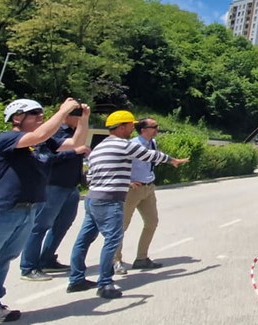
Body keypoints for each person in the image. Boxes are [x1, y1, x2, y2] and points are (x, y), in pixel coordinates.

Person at [0, 98, 85, 325]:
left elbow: (75, 143)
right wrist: (63, 111)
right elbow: (39, 135)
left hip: (27, 209)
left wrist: (83, 118)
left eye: (41, 113)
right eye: (34, 113)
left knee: (3, 261)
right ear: (17, 118)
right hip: (0, 210)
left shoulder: (38, 144)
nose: (40, 116)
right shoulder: (7, 139)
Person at [67, 111, 187, 299]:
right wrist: (172, 160)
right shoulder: (123, 145)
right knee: (113, 239)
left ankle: (76, 280)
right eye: (131, 125)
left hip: (92, 198)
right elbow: (149, 155)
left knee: (84, 240)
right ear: (122, 127)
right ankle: (105, 283)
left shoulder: (99, 147)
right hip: (110, 199)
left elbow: (88, 176)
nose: (133, 128)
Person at [19, 107, 90, 281]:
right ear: (66, 116)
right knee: (40, 226)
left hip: (71, 185)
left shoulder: (76, 131)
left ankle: (47, 259)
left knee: (63, 225)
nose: (80, 119)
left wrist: (84, 121)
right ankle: (28, 267)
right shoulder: (53, 132)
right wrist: (73, 152)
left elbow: (78, 146)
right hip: (52, 185)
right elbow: (44, 159)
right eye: (78, 116)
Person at [113, 118, 166, 274]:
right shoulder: (132, 144)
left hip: (148, 188)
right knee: (121, 226)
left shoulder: (153, 143)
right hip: (132, 190)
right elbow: (118, 164)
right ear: (143, 130)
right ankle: (115, 260)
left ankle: (141, 258)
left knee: (152, 222)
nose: (157, 129)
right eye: (154, 127)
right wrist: (126, 182)